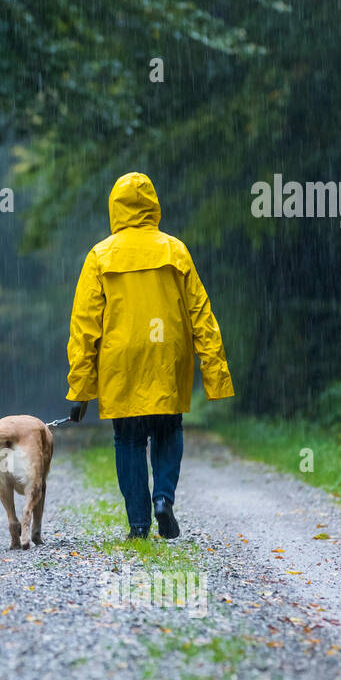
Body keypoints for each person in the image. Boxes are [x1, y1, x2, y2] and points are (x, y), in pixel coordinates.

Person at [64, 172, 234, 539]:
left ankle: (138, 524)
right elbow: (202, 315)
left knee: (128, 439)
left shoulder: (100, 255)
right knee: (168, 429)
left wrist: (80, 391)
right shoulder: (175, 250)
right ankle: (163, 499)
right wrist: (215, 376)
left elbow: (85, 328)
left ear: (115, 208)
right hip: (166, 356)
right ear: (154, 205)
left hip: (121, 362)